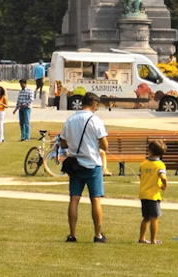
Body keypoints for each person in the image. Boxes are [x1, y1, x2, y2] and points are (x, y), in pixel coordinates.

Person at [60, 93, 108, 243]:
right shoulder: (95, 120)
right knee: (95, 200)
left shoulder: (71, 119)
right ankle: (98, 234)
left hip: (75, 164)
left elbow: (62, 143)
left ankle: (72, 234)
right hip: (92, 164)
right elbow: (104, 145)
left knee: (74, 199)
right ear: (94, 104)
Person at [136, 139, 169, 244]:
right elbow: (163, 177)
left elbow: (141, 176)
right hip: (153, 195)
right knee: (154, 218)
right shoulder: (160, 165)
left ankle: (142, 238)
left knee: (146, 218)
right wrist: (164, 185)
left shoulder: (143, 164)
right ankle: (154, 240)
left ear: (149, 151)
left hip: (143, 194)